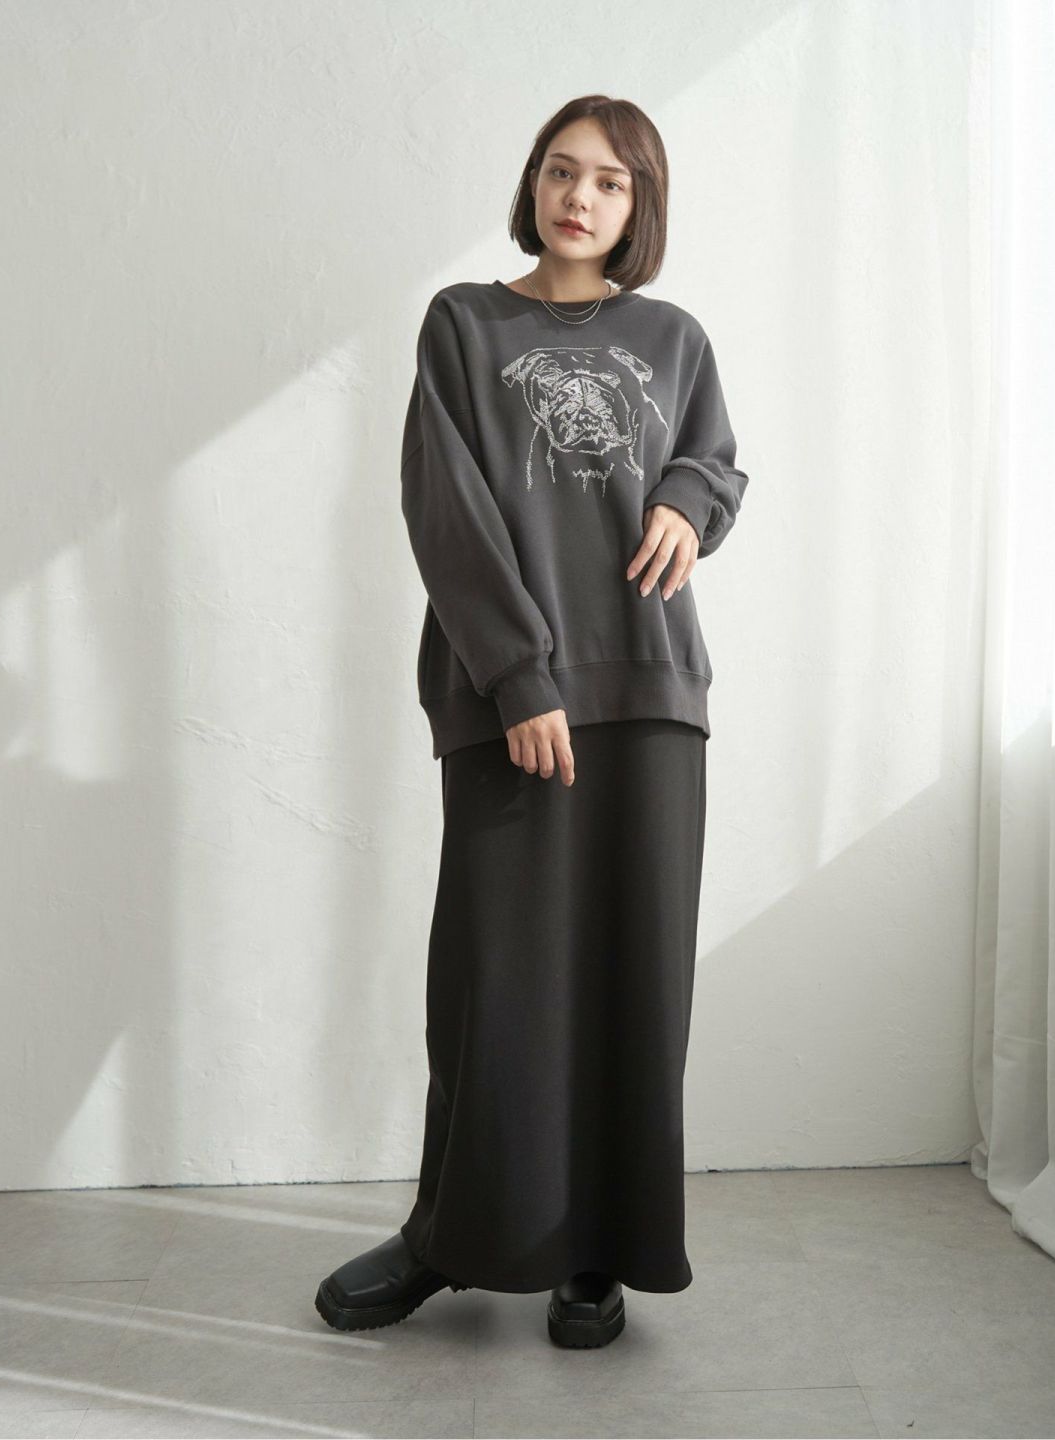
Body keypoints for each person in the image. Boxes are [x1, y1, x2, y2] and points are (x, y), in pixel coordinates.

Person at [315, 93, 750, 1350]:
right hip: (515, 698)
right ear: (534, 183)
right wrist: (518, 676)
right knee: (493, 984)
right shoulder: (465, 323)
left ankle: (598, 1250)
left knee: (635, 981)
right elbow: (442, 504)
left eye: (610, 182)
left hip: (653, 689)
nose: (581, 197)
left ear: (638, 205)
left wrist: (687, 498)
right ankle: (447, 1236)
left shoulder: (674, 338)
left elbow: (717, 461)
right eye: (563, 171)